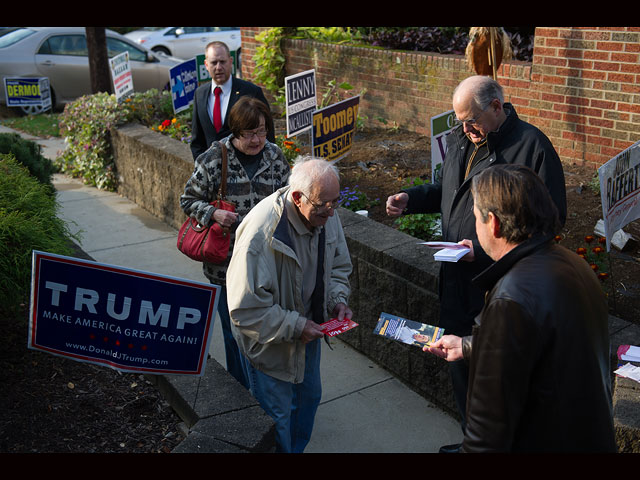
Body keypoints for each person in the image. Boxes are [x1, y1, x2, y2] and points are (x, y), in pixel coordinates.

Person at [386, 75, 567, 452]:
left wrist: (484, 253)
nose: (465, 129)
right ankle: (471, 442)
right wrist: (413, 198)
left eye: (471, 120)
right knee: (460, 366)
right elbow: (449, 191)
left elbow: (549, 224)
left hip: (498, 287)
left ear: (497, 107)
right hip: (456, 277)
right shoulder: (461, 137)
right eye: (459, 121)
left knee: (495, 381)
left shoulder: (532, 147)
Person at [425, 164, 616, 452]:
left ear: (494, 223)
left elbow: (484, 441)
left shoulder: (511, 297)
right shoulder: (571, 263)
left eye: (476, 216)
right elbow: (545, 350)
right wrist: (468, 346)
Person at [226, 156, 353, 453]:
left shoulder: (325, 213)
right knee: (278, 422)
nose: (333, 212)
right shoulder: (260, 235)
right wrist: (296, 325)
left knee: (308, 402)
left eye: (337, 201)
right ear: (297, 197)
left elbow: (338, 267)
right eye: (325, 204)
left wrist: (337, 301)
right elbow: (245, 309)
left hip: (308, 336)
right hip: (270, 346)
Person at [180, 96, 290, 389]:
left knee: (266, 329)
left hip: (268, 264)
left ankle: (267, 385)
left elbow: (288, 199)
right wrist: (213, 213)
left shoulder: (275, 156)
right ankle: (242, 390)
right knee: (234, 333)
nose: (257, 140)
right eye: (250, 133)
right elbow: (188, 200)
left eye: (262, 131)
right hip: (226, 267)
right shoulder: (214, 159)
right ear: (235, 131)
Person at [190, 41, 275, 161]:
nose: (219, 67)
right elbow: (197, 141)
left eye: (222, 62)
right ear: (206, 65)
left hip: (246, 171)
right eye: (214, 63)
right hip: (212, 174)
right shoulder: (200, 94)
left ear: (230, 61)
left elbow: (268, 134)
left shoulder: (251, 92)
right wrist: (202, 168)